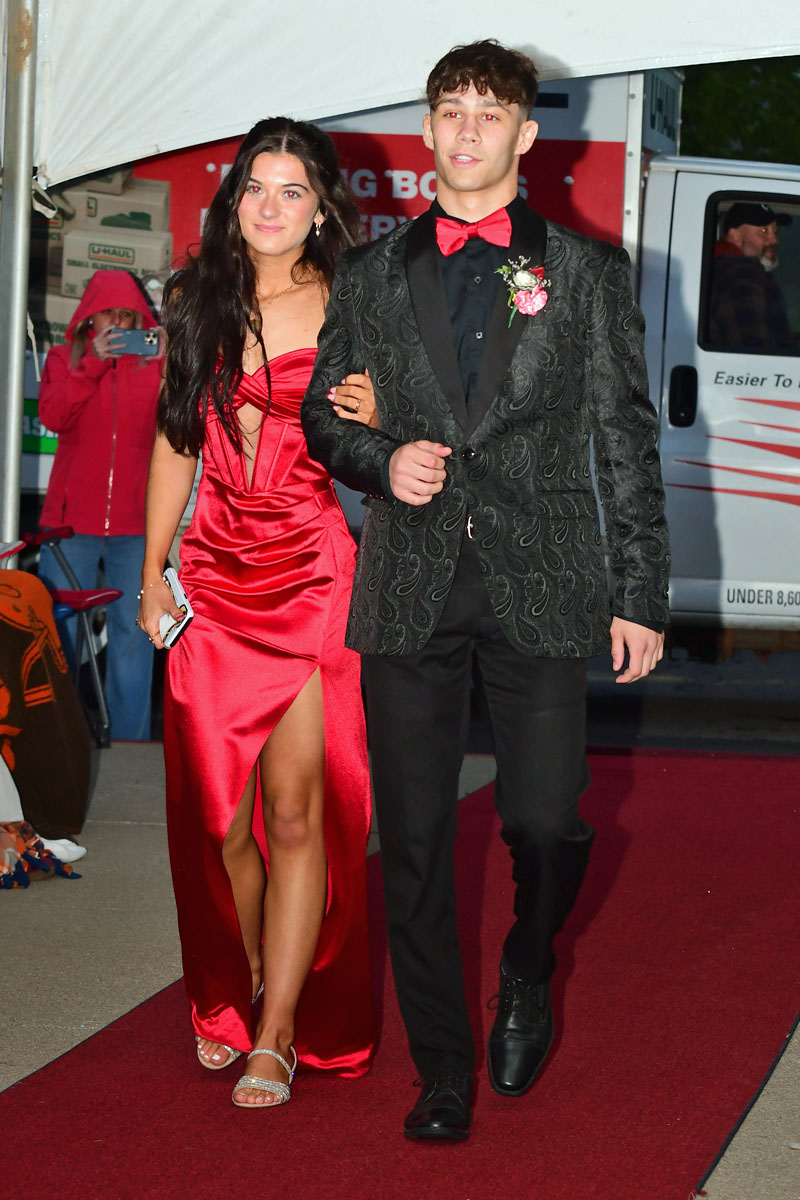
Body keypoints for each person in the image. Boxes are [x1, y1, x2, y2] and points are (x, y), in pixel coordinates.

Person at [302, 40, 670, 1141]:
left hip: (547, 580)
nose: (466, 130)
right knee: (410, 841)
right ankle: (441, 1072)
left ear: (524, 133)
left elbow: (623, 440)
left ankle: (526, 965)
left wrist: (639, 591)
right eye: (447, 111)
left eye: (488, 112)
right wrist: (378, 460)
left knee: (544, 819)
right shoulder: (367, 275)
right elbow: (325, 412)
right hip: (408, 582)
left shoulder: (589, 274)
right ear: (426, 131)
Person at [138, 117, 377, 1109]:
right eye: (255, 189)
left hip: (312, 573)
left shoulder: (353, 304)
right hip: (211, 577)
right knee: (216, 822)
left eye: (291, 190)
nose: (271, 206)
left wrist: (374, 415)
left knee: (293, 811)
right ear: (233, 201)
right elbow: (173, 444)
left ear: (320, 206)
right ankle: (240, 980)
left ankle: (276, 1029)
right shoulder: (196, 298)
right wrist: (150, 571)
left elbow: (398, 434)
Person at [37, 269, 161, 740]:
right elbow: (53, 416)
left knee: (136, 635)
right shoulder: (62, 359)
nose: (117, 324)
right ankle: (59, 738)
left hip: (136, 526)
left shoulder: (154, 365)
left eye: (127, 315)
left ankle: (128, 741)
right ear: (89, 319)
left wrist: (178, 358)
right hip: (70, 528)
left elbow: (185, 421)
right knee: (59, 637)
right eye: (107, 314)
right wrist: (90, 364)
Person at [708, 201, 796, 351]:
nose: (774, 239)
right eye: (763, 231)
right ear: (735, 235)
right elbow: (753, 349)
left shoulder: (745, 273)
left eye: (775, 231)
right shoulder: (739, 278)